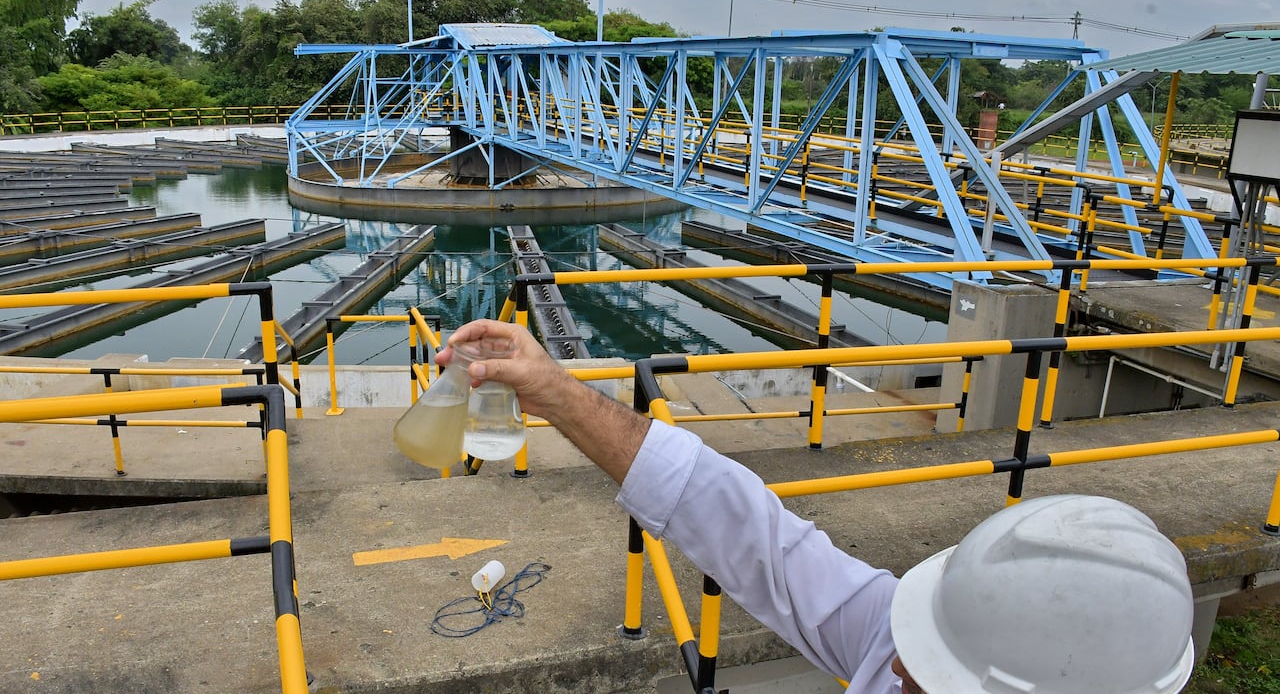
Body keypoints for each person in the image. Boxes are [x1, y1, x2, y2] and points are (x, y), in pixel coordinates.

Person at [437, 319, 1197, 694]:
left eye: (928, 680)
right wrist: (556, 392)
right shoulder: (900, 641)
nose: (899, 667)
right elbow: (749, 533)